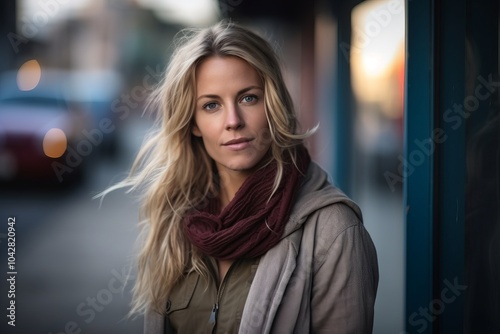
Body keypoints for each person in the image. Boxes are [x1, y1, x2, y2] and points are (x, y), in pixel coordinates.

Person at [104, 21, 378, 333]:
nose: (233, 121)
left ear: (272, 104)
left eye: (248, 98)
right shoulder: (176, 220)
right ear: (193, 123)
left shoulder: (334, 231)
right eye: (211, 105)